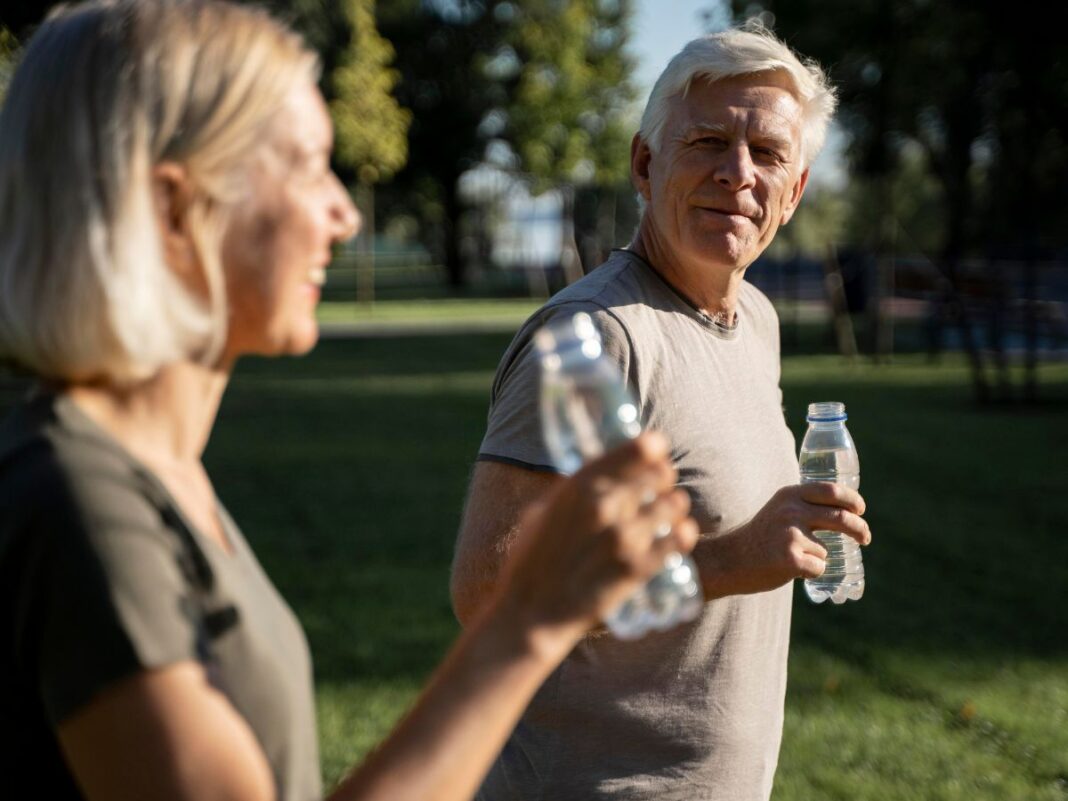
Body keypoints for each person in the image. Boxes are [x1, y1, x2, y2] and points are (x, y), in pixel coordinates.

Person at [0, 3, 699, 800]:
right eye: (305, 166)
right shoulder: (75, 501)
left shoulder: (151, 477)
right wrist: (529, 619)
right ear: (172, 209)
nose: (341, 213)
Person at [451, 22, 873, 801]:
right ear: (647, 165)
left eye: (769, 154)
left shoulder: (753, 319)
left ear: (797, 189)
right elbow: (487, 593)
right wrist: (727, 560)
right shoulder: (598, 337)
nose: (738, 174)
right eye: (709, 142)